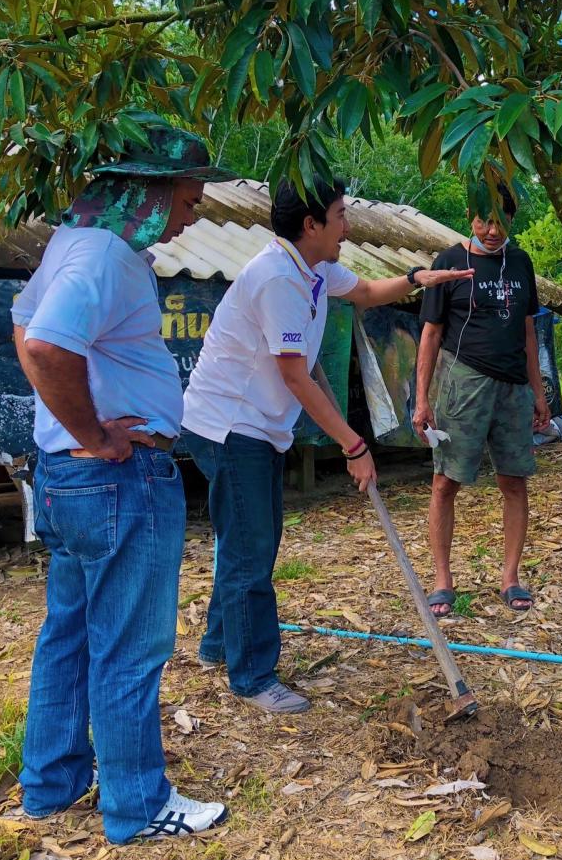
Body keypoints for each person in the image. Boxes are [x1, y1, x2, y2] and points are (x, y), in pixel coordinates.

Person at [11, 118, 239, 843]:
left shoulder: (72, 245)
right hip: (117, 477)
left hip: (68, 478)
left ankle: (51, 783)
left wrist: (70, 435)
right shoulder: (105, 255)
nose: (192, 212)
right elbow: (46, 346)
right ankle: (137, 805)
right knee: (130, 645)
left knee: (69, 634)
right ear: (146, 190)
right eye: (188, 197)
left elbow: (23, 325)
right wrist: (95, 432)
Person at [180, 178, 473, 714]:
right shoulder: (276, 280)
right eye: (340, 215)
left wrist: (418, 279)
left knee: (246, 541)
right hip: (229, 425)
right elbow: (296, 377)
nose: (348, 225)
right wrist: (354, 445)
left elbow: (364, 293)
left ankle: (219, 646)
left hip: (254, 425)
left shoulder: (311, 267)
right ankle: (251, 677)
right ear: (311, 225)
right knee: (251, 550)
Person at [412, 185, 551, 618]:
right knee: (445, 482)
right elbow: (431, 333)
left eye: (501, 221)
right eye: (483, 220)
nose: (492, 230)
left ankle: (510, 577)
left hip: (513, 387)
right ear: (469, 214)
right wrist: (421, 400)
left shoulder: (521, 262)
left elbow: (528, 331)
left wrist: (539, 394)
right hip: (463, 382)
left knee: (514, 481)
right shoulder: (450, 262)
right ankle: (442, 581)